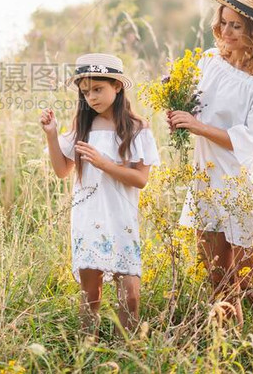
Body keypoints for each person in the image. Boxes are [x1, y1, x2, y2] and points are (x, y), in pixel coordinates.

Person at [167, 0, 253, 325]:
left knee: (250, 283)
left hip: (243, 187)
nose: (226, 31)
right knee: (217, 279)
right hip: (207, 180)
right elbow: (196, 109)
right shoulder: (208, 60)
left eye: (236, 26)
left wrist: (199, 127)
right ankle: (227, 349)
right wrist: (178, 115)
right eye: (224, 22)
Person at [41, 53, 160, 335]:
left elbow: (140, 179)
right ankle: (88, 353)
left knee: (129, 295)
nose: (91, 97)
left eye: (98, 89)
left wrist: (104, 163)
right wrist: (51, 134)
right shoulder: (83, 128)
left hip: (120, 217)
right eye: (85, 92)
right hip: (89, 216)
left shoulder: (136, 129)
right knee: (90, 295)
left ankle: (126, 353)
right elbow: (62, 171)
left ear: (117, 86)